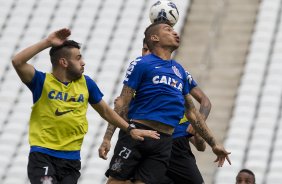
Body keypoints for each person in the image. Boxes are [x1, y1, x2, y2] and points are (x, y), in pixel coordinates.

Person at [11, 28, 160, 184]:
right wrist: (47, 42)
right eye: (78, 58)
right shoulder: (41, 82)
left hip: (71, 159)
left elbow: (106, 112)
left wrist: (130, 129)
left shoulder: (86, 83)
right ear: (64, 62)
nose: (83, 62)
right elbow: (17, 61)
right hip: (43, 155)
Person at [101, 21, 230, 184]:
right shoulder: (141, 64)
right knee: (116, 181)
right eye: (168, 30)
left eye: (174, 29)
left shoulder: (179, 70)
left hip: (164, 141)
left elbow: (192, 112)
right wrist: (107, 138)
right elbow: (122, 103)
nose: (175, 33)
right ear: (154, 38)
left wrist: (214, 144)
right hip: (139, 133)